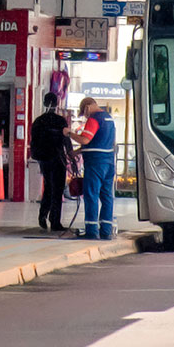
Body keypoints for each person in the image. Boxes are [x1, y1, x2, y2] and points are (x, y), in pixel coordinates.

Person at [65, 96, 117, 240]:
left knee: (91, 195)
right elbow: (97, 142)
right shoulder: (109, 119)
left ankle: (92, 230)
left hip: (95, 164)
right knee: (106, 196)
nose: (85, 116)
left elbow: (85, 139)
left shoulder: (94, 119)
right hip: (108, 163)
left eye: (84, 113)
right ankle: (106, 231)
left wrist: (69, 133)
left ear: (87, 108)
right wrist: (76, 152)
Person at [30, 93, 73, 232]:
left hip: (44, 159)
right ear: (57, 103)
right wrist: (71, 154)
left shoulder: (38, 121)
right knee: (57, 189)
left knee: (48, 186)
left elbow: (34, 142)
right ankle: (55, 222)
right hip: (58, 158)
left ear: (44, 103)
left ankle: (43, 214)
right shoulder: (60, 121)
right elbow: (66, 139)